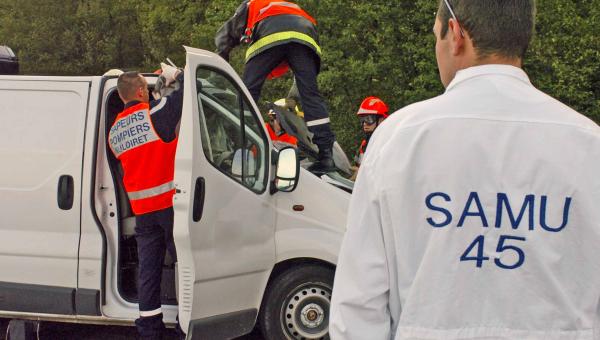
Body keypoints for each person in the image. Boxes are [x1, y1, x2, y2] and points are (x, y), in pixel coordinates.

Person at [329, 1, 600, 339]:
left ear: (456, 34)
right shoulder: (588, 144)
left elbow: (358, 305)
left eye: (436, 38)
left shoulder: (399, 138)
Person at [215, 0, 336, 172]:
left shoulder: (253, 4)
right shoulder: (293, 7)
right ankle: (326, 156)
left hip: (271, 30)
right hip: (306, 35)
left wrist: (221, 56)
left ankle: (240, 148)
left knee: (248, 93)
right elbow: (305, 79)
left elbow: (229, 31)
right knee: (311, 95)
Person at [108, 66, 184, 340]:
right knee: (184, 267)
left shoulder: (114, 132)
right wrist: (176, 75)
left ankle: (150, 329)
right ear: (141, 91)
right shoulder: (154, 114)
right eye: (147, 89)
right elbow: (185, 94)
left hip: (143, 212)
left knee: (148, 271)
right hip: (170, 206)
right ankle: (187, 324)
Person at [353, 96, 389, 168]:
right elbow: (358, 167)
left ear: (381, 120)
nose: (364, 123)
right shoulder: (364, 144)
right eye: (362, 120)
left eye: (369, 119)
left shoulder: (387, 143)